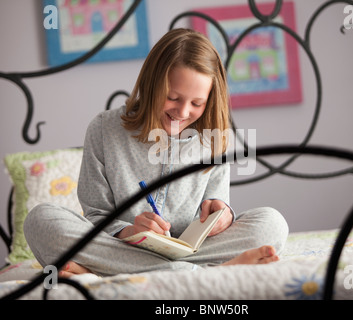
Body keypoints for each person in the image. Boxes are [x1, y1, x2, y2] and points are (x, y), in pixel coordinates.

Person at [24, 28, 288, 277]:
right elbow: (96, 214)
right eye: (172, 97)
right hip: (121, 247)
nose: (183, 113)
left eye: (197, 103)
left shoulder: (213, 138)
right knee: (41, 221)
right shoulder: (104, 129)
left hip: (189, 250)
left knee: (272, 224)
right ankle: (200, 274)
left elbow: (214, 207)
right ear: (151, 85)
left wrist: (224, 214)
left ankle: (107, 271)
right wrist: (129, 232)